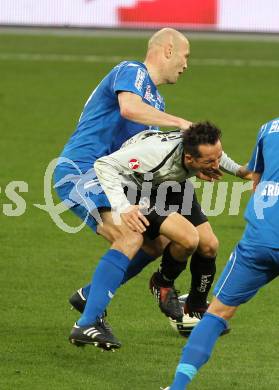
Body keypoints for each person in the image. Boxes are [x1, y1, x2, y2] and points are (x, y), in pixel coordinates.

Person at [54, 28, 193, 340]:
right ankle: (87, 322)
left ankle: (91, 296)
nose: (186, 65)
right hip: (81, 171)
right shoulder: (132, 71)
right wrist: (180, 123)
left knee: (155, 242)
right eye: (185, 56)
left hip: (110, 177)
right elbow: (129, 108)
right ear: (168, 50)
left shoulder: (154, 98)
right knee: (130, 235)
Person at [68, 122, 249, 350]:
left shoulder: (198, 149)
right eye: (208, 162)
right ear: (190, 158)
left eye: (217, 158)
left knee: (209, 245)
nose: (215, 166)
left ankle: (196, 306)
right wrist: (123, 207)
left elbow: (214, 155)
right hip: (135, 189)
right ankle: (162, 284)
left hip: (171, 184)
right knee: (187, 239)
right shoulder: (153, 154)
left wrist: (242, 171)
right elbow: (104, 164)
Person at [163, 117, 279, 389]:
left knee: (217, 313)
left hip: (259, 240)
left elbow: (255, 178)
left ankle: (177, 387)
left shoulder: (269, 128)